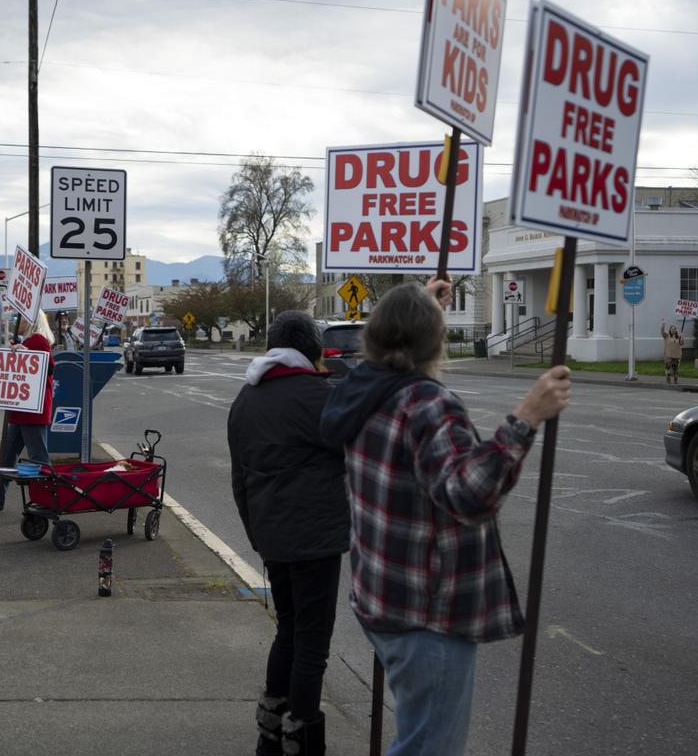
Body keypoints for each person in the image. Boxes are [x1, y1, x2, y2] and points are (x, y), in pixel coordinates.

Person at [320, 280, 571, 756]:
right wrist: (526, 416)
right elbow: (469, 495)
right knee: (428, 748)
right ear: (434, 342)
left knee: (418, 736)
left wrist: (421, 306)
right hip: (426, 612)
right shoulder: (427, 403)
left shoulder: (360, 390)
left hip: (383, 597)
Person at [227, 310, 347, 756]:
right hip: (316, 538)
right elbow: (353, 447)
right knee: (312, 645)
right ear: (311, 350)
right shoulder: (318, 396)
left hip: (272, 536)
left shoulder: (245, 399)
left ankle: (270, 736)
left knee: (289, 632)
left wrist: (256, 533)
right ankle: (304, 739)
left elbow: (240, 480)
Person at [0, 312, 55, 510]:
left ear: (32, 322)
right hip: (21, 410)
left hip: (32, 411)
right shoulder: (30, 340)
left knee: (39, 458)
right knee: (7, 455)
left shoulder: (38, 340)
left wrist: (24, 352)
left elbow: (49, 368)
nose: (19, 322)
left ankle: (52, 498)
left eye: (24, 319)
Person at [660, 317, 685, 384]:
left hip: (677, 356)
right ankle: (668, 380)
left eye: (675, 329)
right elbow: (662, 331)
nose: (673, 330)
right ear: (670, 330)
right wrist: (663, 324)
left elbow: (682, 343)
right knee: (668, 369)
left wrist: (682, 337)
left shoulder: (678, 336)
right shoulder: (667, 336)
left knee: (675, 369)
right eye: (672, 329)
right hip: (668, 355)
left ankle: (675, 380)